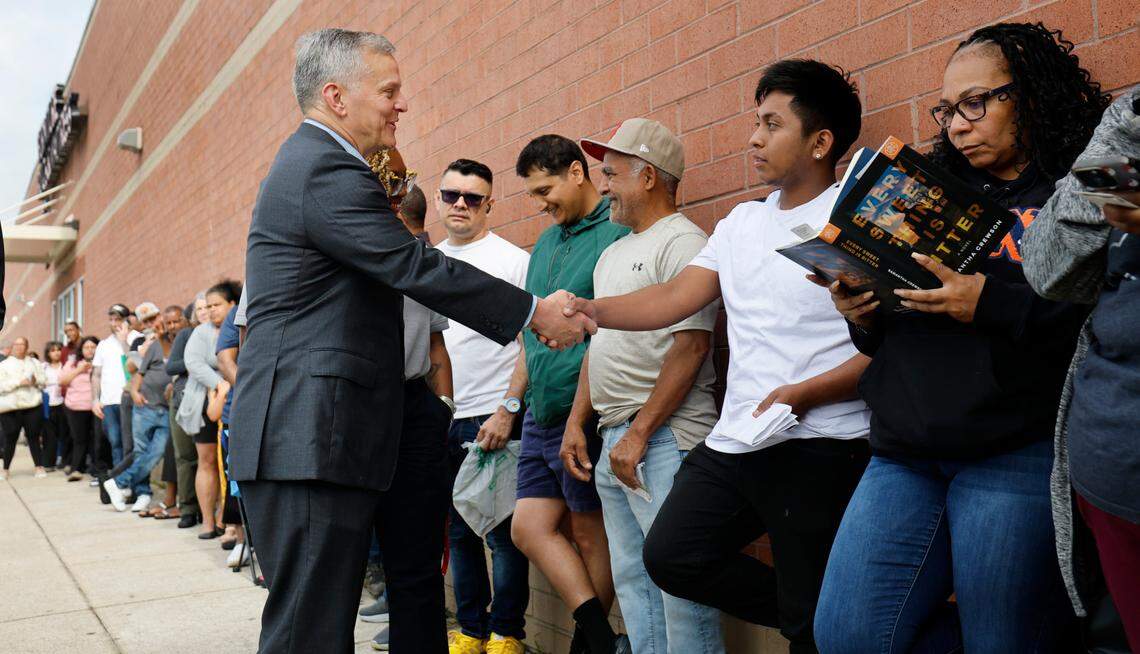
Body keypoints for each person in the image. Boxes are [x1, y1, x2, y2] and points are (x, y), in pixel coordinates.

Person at [229, 29, 589, 654]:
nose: (402, 105)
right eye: (389, 91)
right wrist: (533, 311)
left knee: (319, 625)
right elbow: (416, 268)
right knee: (308, 633)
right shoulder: (324, 168)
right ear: (336, 96)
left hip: (319, 436)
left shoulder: (319, 164)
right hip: (306, 436)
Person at [811, 24, 1108, 652]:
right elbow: (889, 336)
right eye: (947, 109)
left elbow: (1104, 316)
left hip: (1014, 453)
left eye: (977, 103)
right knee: (846, 635)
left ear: (1027, 95)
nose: (956, 125)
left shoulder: (1077, 189)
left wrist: (992, 303)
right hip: (903, 452)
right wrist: (861, 313)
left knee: (1002, 640)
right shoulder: (929, 191)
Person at [566, 61, 872, 654]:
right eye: (755, 122)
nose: (754, 137)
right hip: (737, 441)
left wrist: (808, 393)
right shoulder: (742, 222)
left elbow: (889, 345)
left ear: (820, 142)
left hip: (822, 442)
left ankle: (813, 614)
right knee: (672, 556)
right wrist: (590, 310)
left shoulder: (850, 217)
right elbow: (674, 299)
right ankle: (808, 609)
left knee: (811, 626)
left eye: (771, 124)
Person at [562, 119, 725, 653]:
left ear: (648, 176)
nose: (603, 185)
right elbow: (598, 345)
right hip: (618, 437)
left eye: (611, 174)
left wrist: (639, 434)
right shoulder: (614, 252)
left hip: (662, 439)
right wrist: (576, 424)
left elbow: (692, 348)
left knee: (678, 588)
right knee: (634, 579)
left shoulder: (684, 242)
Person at [1022, 86, 1140, 650]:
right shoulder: (1131, 114)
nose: (956, 125)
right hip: (1105, 469)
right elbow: (1047, 268)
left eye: (974, 104)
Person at [509, 133, 630, 654]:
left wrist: (580, 419)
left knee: (588, 534)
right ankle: (603, 641)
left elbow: (614, 332)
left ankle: (587, 646)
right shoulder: (543, 244)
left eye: (545, 190)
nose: (540, 204)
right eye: (533, 195)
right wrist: (511, 403)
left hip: (584, 412)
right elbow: (528, 333)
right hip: (539, 410)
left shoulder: (614, 233)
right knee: (528, 527)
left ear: (578, 173)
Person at [428, 158, 532, 654]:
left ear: (490, 203)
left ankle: (506, 633)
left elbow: (531, 342)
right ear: (439, 200)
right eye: (452, 196)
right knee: (458, 532)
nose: (461, 205)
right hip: (442, 415)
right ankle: (469, 632)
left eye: (473, 198)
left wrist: (508, 409)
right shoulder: (425, 263)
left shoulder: (513, 261)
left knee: (503, 534)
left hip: (494, 415)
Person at [179, 281, 239, 539]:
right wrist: (220, 383)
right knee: (207, 462)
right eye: (209, 306)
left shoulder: (240, 327)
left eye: (217, 305)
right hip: (205, 401)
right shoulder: (200, 333)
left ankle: (228, 522)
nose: (212, 311)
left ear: (232, 305)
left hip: (233, 398)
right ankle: (207, 521)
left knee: (230, 466)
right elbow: (192, 362)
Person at [103, 305, 176, 513]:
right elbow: (133, 369)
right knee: (138, 450)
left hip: (164, 407)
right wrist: (135, 390)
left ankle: (118, 482)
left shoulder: (175, 340)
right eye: (145, 321)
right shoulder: (141, 341)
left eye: (153, 318)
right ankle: (142, 493)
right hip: (142, 404)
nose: (150, 324)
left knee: (157, 451)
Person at [167, 299, 200, 527]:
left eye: (209, 306)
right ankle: (188, 507)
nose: (205, 312)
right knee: (186, 456)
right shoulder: (186, 335)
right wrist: (196, 363)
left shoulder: (223, 332)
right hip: (184, 400)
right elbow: (171, 367)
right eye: (200, 308)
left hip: (212, 400)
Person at [92, 304, 133, 470]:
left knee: (129, 443)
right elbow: (96, 374)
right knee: (115, 442)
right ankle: (118, 481)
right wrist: (95, 400)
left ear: (126, 321)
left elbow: (133, 364)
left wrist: (124, 342)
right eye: (111, 319)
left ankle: (132, 483)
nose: (114, 323)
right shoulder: (103, 344)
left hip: (129, 399)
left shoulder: (136, 338)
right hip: (108, 402)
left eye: (118, 319)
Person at [0, 337, 48, 479]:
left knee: (33, 438)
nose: (20, 347)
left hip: (32, 405)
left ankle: (39, 467)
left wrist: (35, 381)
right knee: (10, 438)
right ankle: (5, 469)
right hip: (11, 408)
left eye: (23, 345)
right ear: (13, 346)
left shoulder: (34, 363)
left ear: (27, 347)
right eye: (17, 344)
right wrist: (18, 382)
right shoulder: (4, 365)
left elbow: (44, 381)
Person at [62, 336, 100, 481]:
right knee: (79, 439)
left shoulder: (102, 362)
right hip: (76, 407)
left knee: (96, 439)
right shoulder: (73, 363)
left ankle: (95, 469)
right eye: (87, 347)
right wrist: (79, 370)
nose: (90, 350)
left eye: (93, 347)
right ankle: (76, 468)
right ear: (81, 349)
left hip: (96, 406)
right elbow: (62, 381)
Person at [41, 341, 67, 472]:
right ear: (48, 353)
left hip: (63, 403)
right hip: (49, 405)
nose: (56, 352)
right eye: (53, 350)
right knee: (49, 436)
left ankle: (63, 459)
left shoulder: (65, 366)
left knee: (64, 434)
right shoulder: (44, 367)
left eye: (58, 350)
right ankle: (48, 462)